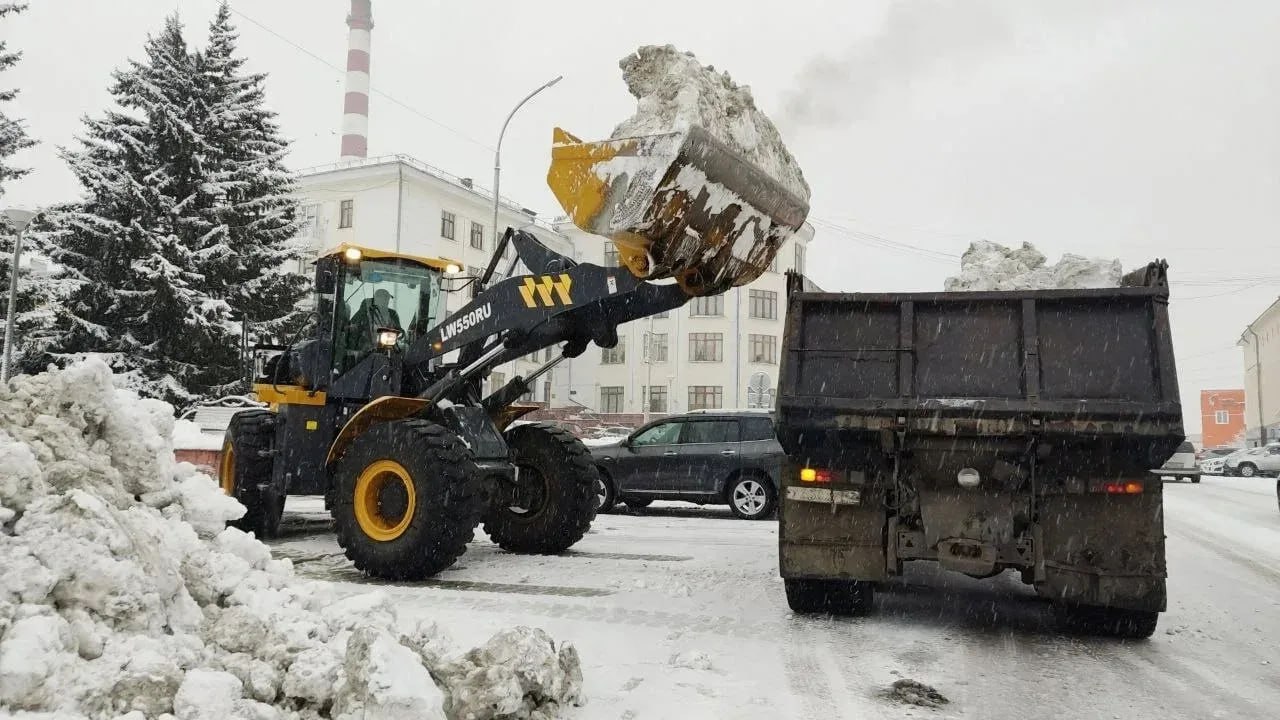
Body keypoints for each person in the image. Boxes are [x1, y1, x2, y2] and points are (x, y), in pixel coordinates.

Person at [346, 289, 403, 356]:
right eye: (382, 297)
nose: (385, 300)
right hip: (365, 348)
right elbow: (353, 326)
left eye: (386, 298)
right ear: (375, 299)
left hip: (387, 348)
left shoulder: (392, 314)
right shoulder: (364, 312)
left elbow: (398, 330)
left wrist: (400, 333)